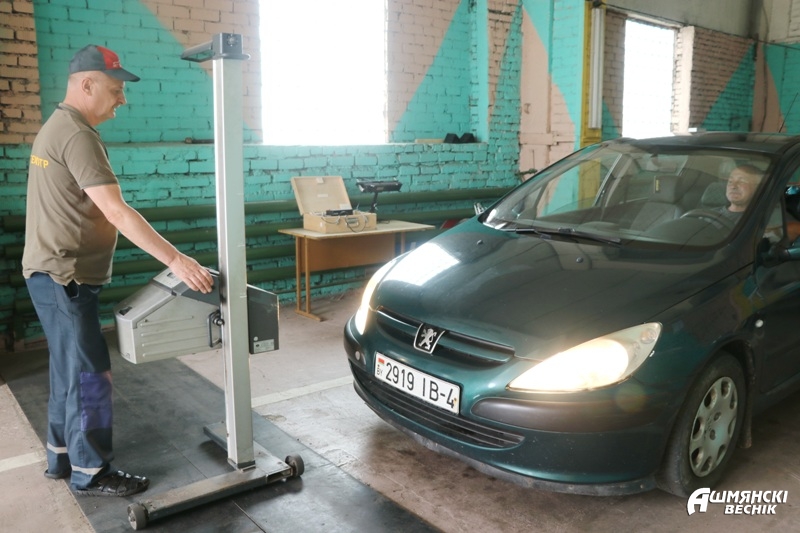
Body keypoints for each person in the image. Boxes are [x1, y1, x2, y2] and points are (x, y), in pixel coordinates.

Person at [22, 44, 214, 497]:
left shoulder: (56, 127)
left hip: (49, 275)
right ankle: (92, 471)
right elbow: (117, 211)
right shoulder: (77, 135)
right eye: (115, 89)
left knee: (68, 370)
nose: (122, 100)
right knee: (90, 376)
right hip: (66, 277)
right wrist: (177, 260)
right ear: (87, 85)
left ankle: (62, 457)